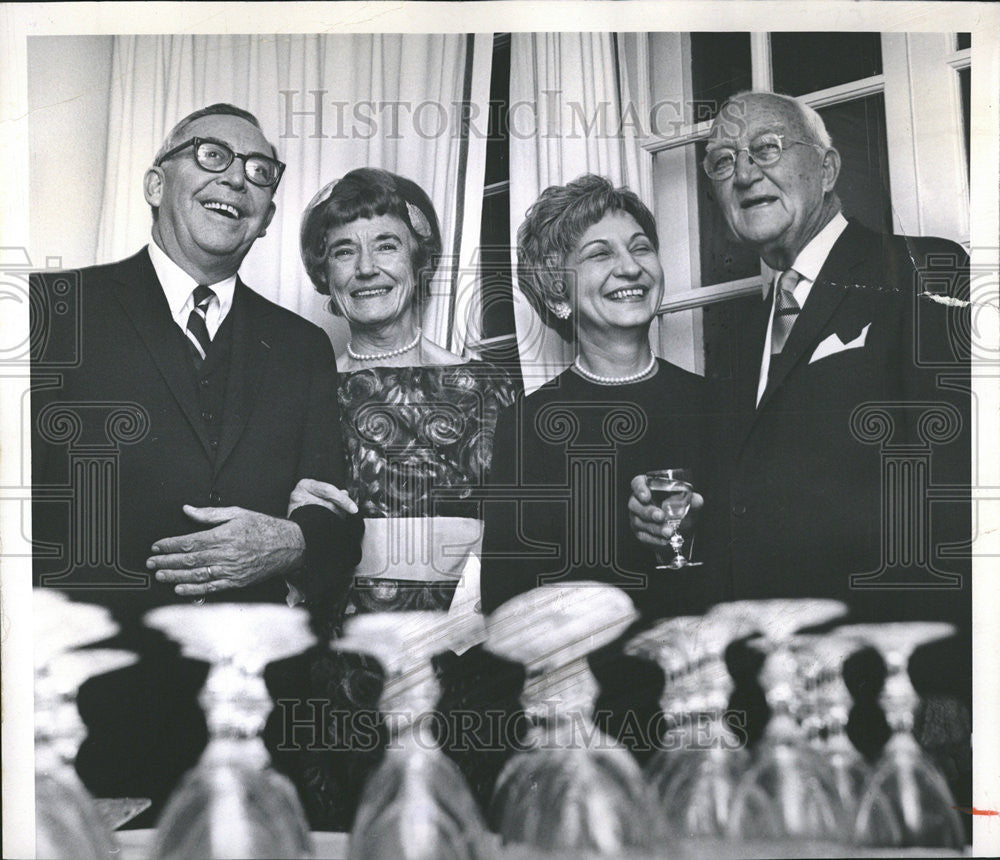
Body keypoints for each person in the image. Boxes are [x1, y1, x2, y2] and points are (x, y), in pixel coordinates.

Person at [628, 91, 971, 806]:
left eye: (766, 149)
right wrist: (686, 512)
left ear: (830, 166)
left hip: (891, 696)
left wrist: (943, 683)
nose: (743, 172)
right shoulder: (740, 337)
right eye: (722, 162)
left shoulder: (920, 272)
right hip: (766, 708)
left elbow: (954, 487)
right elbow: (750, 496)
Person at [30, 104, 362, 822]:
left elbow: (338, 528)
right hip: (84, 725)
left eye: (259, 173)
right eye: (212, 156)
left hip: (255, 729)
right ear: (155, 182)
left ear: (268, 217)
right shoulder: (51, 312)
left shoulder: (301, 347)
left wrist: (294, 540)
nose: (237, 181)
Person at [476, 175, 726, 786]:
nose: (630, 267)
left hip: (702, 717)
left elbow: (757, 573)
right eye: (600, 253)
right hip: (579, 729)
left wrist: (700, 529)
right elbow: (506, 604)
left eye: (641, 248)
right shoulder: (527, 427)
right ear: (558, 294)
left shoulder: (721, 408)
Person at [293, 167, 519, 828]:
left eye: (386, 244)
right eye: (344, 250)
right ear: (325, 275)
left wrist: (459, 626)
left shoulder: (487, 388)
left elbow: (517, 535)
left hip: (465, 675)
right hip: (334, 685)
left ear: (418, 262)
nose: (366, 267)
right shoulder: (300, 395)